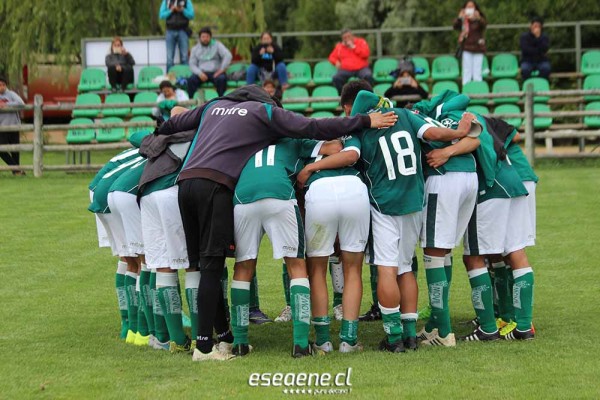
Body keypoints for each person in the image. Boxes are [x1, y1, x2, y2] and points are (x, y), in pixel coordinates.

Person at [155, 85, 398, 360]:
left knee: (229, 267)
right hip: (255, 191)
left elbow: (175, 118)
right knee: (295, 266)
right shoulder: (268, 117)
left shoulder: (216, 107)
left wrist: (159, 131)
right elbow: (320, 132)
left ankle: (236, 341)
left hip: (204, 188)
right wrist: (365, 121)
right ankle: (297, 344)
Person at [348, 86, 477, 353]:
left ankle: (394, 337)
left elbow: (351, 156)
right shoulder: (404, 114)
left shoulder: (363, 128)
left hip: (384, 202)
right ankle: (409, 334)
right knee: (406, 267)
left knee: (386, 268)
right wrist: (459, 133)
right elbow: (433, 133)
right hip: (414, 199)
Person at [187, 27, 232, 98]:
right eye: (203, 37)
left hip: (216, 73)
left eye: (207, 36)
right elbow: (192, 64)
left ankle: (221, 101)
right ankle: (191, 102)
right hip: (201, 73)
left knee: (222, 79)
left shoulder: (217, 45)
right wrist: (199, 73)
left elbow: (228, 55)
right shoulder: (195, 48)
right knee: (191, 80)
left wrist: (221, 69)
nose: (205, 39)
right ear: (200, 38)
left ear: (210, 37)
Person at [328, 29, 374, 94]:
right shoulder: (340, 47)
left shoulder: (361, 42)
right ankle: (344, 97)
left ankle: (368, 96)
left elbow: (366, 54)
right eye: (345, 38)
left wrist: (353, 47)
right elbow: (331, 57)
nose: (347, 39)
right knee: (336, 78)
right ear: (342, 39)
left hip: (361, 68)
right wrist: (335, 62)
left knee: (368, 75)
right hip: (346, 70)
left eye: (348, 36)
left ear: (352, 36)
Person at [453, 1, 487, 85]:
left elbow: (484, 25)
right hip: (466, 48)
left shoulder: (479, 18)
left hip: (478, 48)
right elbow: (455, 26)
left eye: (472, 7)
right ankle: (466, 93)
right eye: (468, 7)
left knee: (477, 73)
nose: (470, 9)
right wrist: (459, 18)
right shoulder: (464, 20)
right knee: (466, 73)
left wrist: (478, 18)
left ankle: (478, 94)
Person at [159, 0, 195, 73]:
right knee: (169, 58)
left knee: (184, 57)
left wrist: (182, 10)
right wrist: (171, 10)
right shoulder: (166, 1)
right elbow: (161, 15)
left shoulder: (187, 1)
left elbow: (191, 15)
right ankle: (169, 79)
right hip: (170, 31)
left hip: (183, 31)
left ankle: (185, 77)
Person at [0, 76, 25, 175]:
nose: (1, 87)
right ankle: (16, 169)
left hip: (14, 126)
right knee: (1, 150)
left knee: (15, 150)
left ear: (6, 85)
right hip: (2, 128)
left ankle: (17, 172)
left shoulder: (11, 94)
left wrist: (6, 105)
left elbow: (21, 103)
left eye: (3, 85)